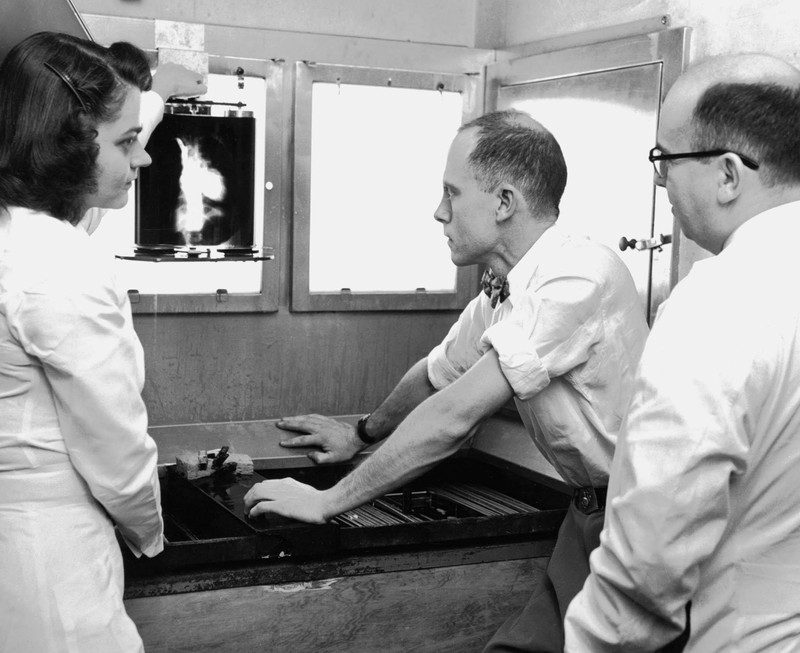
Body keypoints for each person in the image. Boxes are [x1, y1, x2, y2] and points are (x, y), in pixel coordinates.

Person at [244, 109, 650, 652]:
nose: (439, 212)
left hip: (636, 518)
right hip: (588, 517)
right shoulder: (509, 286)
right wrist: (361, 435)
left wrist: (326, 501)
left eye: (452, 193)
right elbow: (439, 374)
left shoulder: (577, 278)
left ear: (504, 202)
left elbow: (456, 416)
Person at [563, 53, 800, 652]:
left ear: (727, 174)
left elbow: (649, 563)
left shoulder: (723, 302)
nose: (659, 180)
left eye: (665, 159)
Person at [0, 32, 204, 652]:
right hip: (53, 563)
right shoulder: (65, 267)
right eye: (126, 144)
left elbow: (97, 176)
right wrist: (150, 533)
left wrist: (159, 93)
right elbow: (115, 450)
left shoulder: (19, 234)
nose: (142, 159)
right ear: (70, 146)